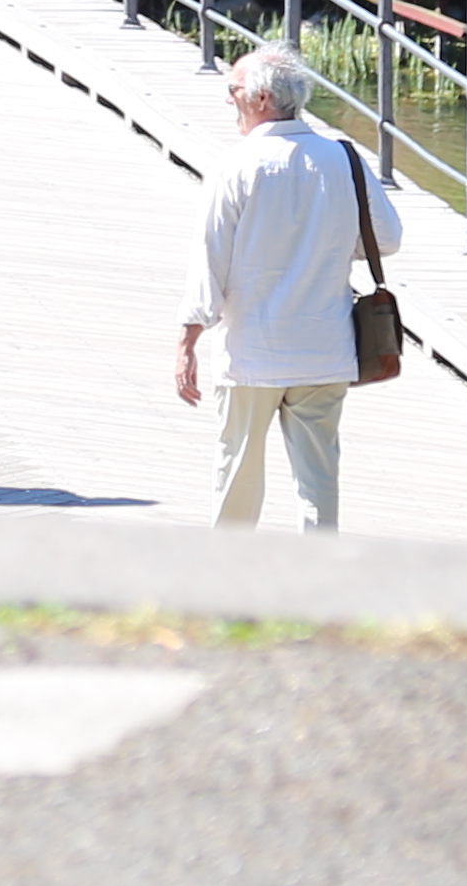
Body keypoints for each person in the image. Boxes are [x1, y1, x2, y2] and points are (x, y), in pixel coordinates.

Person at [173, 43, 413, 531]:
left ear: (261, 99)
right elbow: (386, 239)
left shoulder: (235, 165)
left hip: (252, 351)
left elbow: (209, 260)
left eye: (233, 90)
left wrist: (187, 342)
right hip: (324, 348)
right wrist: (324, 238)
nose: (228, 100)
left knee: (236, 474)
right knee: (319, 480)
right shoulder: (343, 158)